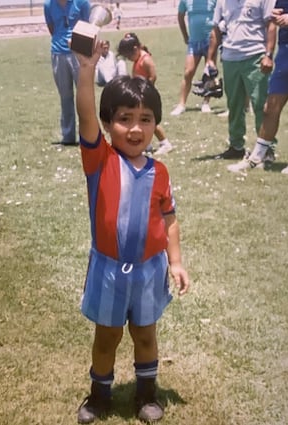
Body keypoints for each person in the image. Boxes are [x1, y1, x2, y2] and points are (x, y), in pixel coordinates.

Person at [75, 41, 190, 424]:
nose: (135, 128)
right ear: (109, 124)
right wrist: (87, 68)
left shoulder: (160, 172)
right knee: (107, 337)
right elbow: (86, 113)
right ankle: (99, 396)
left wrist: (175, 262)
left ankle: (146, 394)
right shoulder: (99, 160)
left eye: (145, 119)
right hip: (109, 270)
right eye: (125, 118)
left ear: (155, 124)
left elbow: (169, 218)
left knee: (145, 334)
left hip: (148, 271)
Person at [206, 0, 277, 159]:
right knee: (234, 105)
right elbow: (216, 29)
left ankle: (267, 148)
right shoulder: (222, 1)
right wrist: (210, 59)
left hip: (255, 56)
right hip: (230, 58)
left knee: (260, 104)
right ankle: (236, 146)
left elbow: (271, 25)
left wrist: (268, 55)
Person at [227, 1, 288, 173]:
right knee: (270, 109)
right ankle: (257, 157)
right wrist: (275, 15)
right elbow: (277, 14)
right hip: (284, 50)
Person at [43, 0, 91, 146]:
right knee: (65, 97)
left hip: (79, 52)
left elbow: (88, 27)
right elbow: (52, 29)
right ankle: (68, 137)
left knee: (84, 97)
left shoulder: (82, 3)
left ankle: (88, 136)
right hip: (58, 53)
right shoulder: (48, 5)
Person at [118, 33, 174, 155]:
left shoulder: (145, 59)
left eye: (128, 56)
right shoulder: (138, 59)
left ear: (135, 49)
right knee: (141, 121)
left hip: (147, 95)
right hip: (140, 95)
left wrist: (145, 91)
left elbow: (153, 76)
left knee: (151, 122)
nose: (128, 59)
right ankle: (146, 145)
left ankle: (165, 143)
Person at [170, 0, 217, 116]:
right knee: (188, 72)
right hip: (194, 42)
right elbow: (180, 17)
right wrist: (185, 36)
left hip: (210, 40)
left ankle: (206, 103)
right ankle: (181, 105)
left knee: (209, 73)